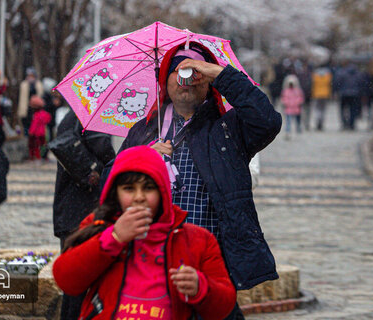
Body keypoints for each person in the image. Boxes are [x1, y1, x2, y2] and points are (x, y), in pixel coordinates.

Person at [115, 41, 282, 319]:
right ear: (164, 81)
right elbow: (111, 182)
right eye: (178, 71)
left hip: (212, 263)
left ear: (208, 82)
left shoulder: (228, 127)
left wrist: (220, 72)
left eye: (195, 73)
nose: (186, 79)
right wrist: (139, 159)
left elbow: (268, 121)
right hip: (153, 261)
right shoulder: (144, 131)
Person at [53, 145, 236, 320]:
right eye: (129, 189)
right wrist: (114, 238)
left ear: (163, 190)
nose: (139, 197)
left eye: (148, 188)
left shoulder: (196, 239)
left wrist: (201, 288)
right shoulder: (100, 226)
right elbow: (66, 279)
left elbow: (224, 306)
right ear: (115, 192)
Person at [53, 111, 115, 320]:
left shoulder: (73, 116)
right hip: (83, 209)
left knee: (74, 286)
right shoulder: (92, 116)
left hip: (69, 209)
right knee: (81, 283)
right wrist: (119, 162)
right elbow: (101, 146)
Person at [18, 67, 43, 135]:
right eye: (29, 75)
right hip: (26, 111)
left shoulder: (39, 85)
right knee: (26, 129)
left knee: (35, 130)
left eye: (31, 75)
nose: (30, 77)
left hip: (36, 111)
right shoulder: (23, 85)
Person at [281, 74, 304, 140]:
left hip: (296, 108)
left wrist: (297, 103)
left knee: (297, 121)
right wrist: (288, 103)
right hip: (289, 108)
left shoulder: (298, 90)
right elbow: (284, 98)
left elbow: (300, 98)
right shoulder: (286, 91)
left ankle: (298, 130)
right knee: (288, 121)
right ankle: (288, 131)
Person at [28, 96, 51, 161]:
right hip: (43, 133)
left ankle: (35, 157)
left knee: (34, 147)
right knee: (43, 145)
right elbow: (48, 120)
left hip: (36, 134)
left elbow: (34, 125)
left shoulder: (36, 115)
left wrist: (31, 132)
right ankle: (44, 156)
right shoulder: (45, 114)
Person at [311, 66, 333, 131]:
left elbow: (312, 84)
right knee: (323, 110)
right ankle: (321, 123)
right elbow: (330, 84)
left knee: (317, 109)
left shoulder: (315, 76)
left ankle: (318, 122)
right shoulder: (328, 76)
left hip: (316, 94)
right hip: (325, 95)